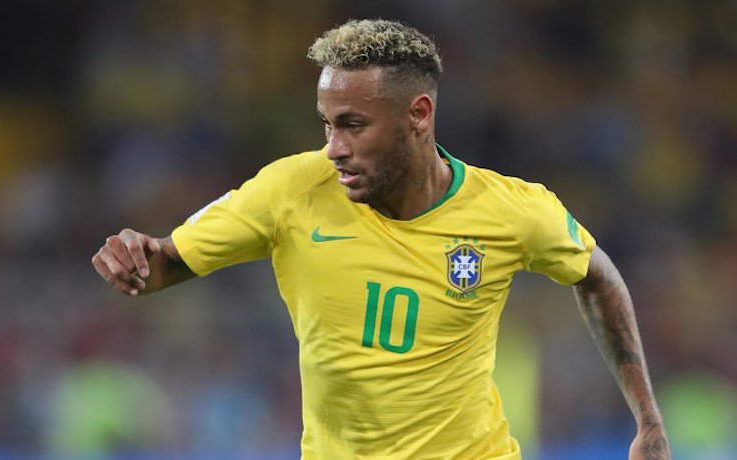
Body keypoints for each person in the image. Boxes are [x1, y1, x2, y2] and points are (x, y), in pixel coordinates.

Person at [92, 19, 670, 460]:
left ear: (419, 114)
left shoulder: (510, 210)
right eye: (327, 124)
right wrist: (134, 259)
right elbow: (166, 265)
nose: (334, 148)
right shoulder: (292, 190)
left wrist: (647, 421)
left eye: (353, 125)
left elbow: (598, 277)